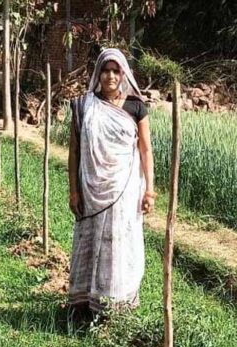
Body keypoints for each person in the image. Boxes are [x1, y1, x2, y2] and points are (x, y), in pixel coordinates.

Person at [67, 48, 156, 317]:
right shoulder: (84, 106)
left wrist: (149, 190)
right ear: (98, 74)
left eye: (116, 71)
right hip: (90, 187)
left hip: (124, 189)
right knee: (90, 239)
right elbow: (74, 151)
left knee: (119, 241)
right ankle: (85, 303)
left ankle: (117, 303)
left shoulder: (136, 106)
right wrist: (74, 191)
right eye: (106, 70)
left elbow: (145, 150)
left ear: (123, 74)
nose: (110, 76)